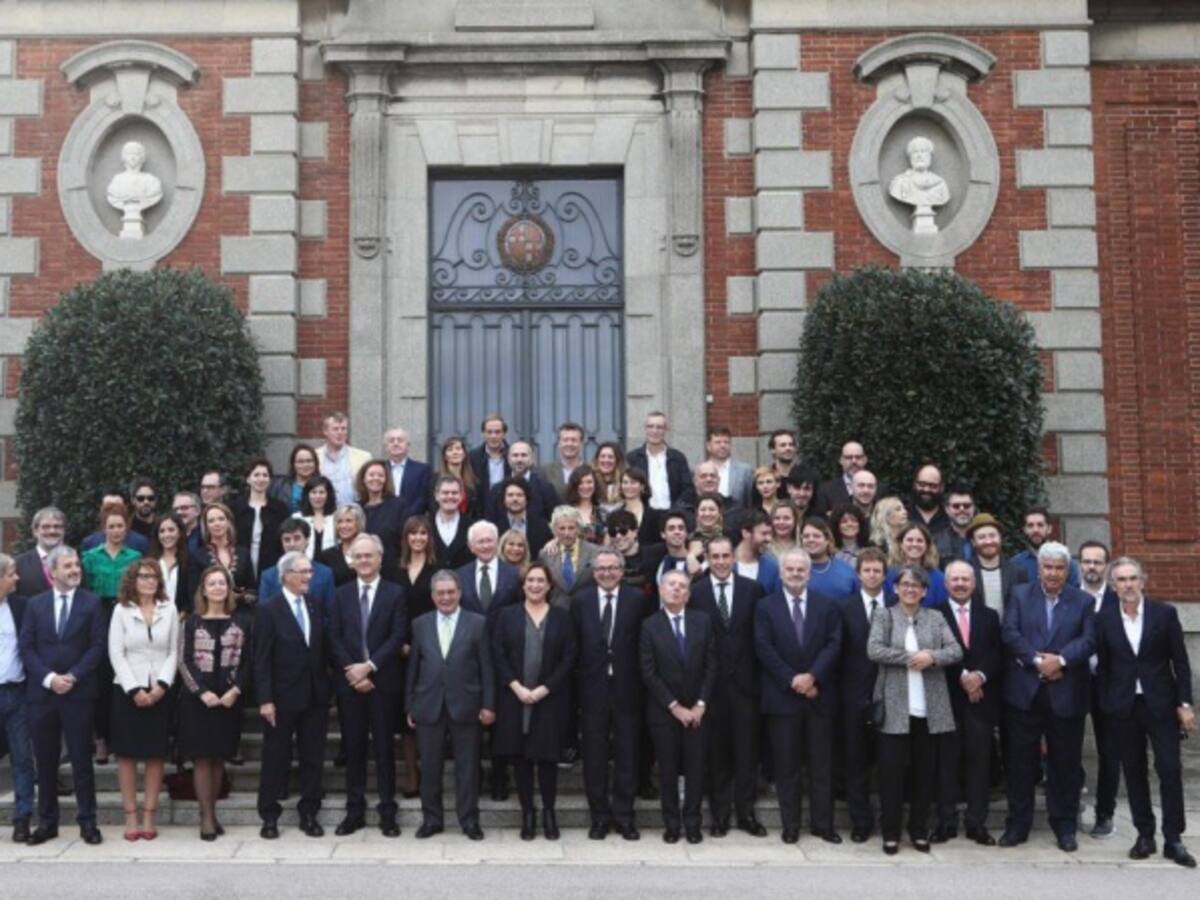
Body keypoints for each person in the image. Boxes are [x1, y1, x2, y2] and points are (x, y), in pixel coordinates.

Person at [1094, 556, 1196, 868]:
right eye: (1121, 580)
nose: (1127, 584)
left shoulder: (1164, 614)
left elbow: (1179, 662)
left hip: (1161, 705)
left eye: (1132, 578)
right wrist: (1108, 705)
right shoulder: (1104, 620)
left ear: (1143, 580)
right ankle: (1145, 834)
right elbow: (1104, 668)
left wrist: (1185, 704)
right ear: (1113, 586)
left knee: (1168, 768)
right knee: (1134, 771)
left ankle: (1174, 838)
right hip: (1124, 707)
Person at [999, 542, 1095, 853]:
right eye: (1047, 567)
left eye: (1059, 568)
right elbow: (1010, 633)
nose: (1053, 573)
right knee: (1020, 763)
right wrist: (1038, 661)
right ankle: (1018, 824)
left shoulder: (1082, 601)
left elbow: (1089, 639)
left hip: (1065, 693)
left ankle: (1064, 825)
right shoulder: (1020, 594)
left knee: (1065, 764)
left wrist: (1061, 660)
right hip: (1025, 692)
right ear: (1038, 568)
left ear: (1067, 571)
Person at [867, 564, 963, 855]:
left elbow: (956, 651)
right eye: (905, 584)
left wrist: (931, 657)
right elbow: (874, 650)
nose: (910, 589)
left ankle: (919, 829)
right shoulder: (884, 615)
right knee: (891, 775)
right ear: (895, 588)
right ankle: (891, 832)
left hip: (929, 709)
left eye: (916, 586)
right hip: (895, 708)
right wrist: (912, 658)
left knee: (925, 774)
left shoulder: (935, 617)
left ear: (924, 591)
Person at [754, 547, 843, 845]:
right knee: (786, 768)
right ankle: (790, 826)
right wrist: (792, 680)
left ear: (808, 572)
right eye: (789, 569)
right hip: (782, 698)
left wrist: (813, 676)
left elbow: (834, 645)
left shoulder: (827, 606)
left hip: (819, 697)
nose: (795, 574)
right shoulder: (765, 607)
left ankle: (823, 825)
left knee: (822, 766)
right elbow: (764, 648)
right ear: (781, 573)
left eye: (800, 569)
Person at [18, 545, 106, 846]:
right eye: (67, 566)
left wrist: (73, 676)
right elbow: (26, 647)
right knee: (45, 761)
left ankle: (88, 822)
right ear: (51, 571)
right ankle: (47, 823)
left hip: (78, 693)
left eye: (76, 566)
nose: (74, 571)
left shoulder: (92, 603)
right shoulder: (35, 604)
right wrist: (49, 678)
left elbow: (97, 647)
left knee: (82, 760)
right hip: (42, 695)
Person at [406, 570, 496, 840]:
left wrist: (489, 704)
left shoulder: (478, 623)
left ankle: (469, 820)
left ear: (459, 593)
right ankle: (431, 820)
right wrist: (409, 705)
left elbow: (487, 668)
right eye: (440, 593)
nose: (445, 597)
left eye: (450, 592)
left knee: (467, 768)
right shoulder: (420, 624)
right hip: (428, 705)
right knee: (430, 768)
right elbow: (413, 669)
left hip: (467, 705)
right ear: (433, 596)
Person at [329, 533, 408, 837]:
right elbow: (333, 636)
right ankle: (355, 811)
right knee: (354, 748)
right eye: (358, 556)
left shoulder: (395, 593)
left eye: (368, 555)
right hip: (350, 684)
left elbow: (397, 635)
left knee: (386, 749)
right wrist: (353, 672)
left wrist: (370, 667)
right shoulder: (340, 594)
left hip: (383, 683)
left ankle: (387, 812)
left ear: (380, 558)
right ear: (351, 561)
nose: (363, 561)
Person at [492, 563, 577, 840]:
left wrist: (544, 689)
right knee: (522, 760)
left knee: (547, 759)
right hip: (515, 698)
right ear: (523, 585)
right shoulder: (507, 616)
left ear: (549, 585)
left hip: (549, 699)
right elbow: (499, 654)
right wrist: (516, 687)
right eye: (531, 580)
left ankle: (549, 813)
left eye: (541, 580)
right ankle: (527, 813)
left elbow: (569, 658)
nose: (536, 585)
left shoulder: (563, 617)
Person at [688, 536, 767, 837]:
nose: (721, 561)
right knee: (717, 755)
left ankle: (746, 815)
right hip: (711, 688)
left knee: (747, 754)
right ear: (707, 558)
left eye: (725, 556)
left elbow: (760, 637)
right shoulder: (696, 593)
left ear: (733, 557)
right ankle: (720, 816)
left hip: (746, 686)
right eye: (715, 556)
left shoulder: (753, 590)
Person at [572, 547, 648, 841]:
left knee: (628, 753)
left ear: (622, 569)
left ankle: (625, 817)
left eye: (612, 568)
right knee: (594, 755)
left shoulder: (637, 600)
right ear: (594, 572)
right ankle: (600, 817)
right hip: (592, 690)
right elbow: (575, 645)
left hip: (628, 689)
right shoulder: (581, 601)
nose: (607, 573)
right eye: (601, 568)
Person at [255, 552, 330, 839]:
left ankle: (309, 813)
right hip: (281, 698)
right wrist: (265, 699)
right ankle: (269, 815)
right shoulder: (268, 609)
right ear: (286, 575)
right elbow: (261, 658)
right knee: (276, 757)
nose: (309, 577)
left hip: (314, 696)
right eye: (303, 572)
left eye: (310, 571)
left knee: (313, 756)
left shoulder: (313, 604)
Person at [640, 569, 717, 844]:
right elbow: (648, 672)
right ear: (661, 590)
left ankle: (693, 824)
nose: (676, 590)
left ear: (688, 593)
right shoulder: (650, 625)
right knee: (668, 770)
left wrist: (700, 704)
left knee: (696, 770)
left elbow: (711, 665)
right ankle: (672, 824)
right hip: (664, 712)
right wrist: (674, 706)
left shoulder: (703, 621)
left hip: (698, 711)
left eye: (682, 586)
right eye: (671, 585)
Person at [178, 565, 251, 840]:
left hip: (229, 699)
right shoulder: (191, 622)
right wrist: (201, 692)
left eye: (222, 583)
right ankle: (205, 817)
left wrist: (236, 690)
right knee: (202, 759)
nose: (218, 587)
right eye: (212, 583)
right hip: (199, 700)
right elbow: (183, 662)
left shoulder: (242, 621)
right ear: (204, 589)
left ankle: (214, 813)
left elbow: (247, 661)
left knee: (220, 757)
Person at [932, 561, 1002, 845]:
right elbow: (934, 651)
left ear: (973, 583)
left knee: (979, 764)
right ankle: (945, 823)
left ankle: (976, 823)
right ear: (946, 583)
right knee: (945, 763)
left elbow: (998, 653)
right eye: (955, 579)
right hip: (946, 697)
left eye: (965, 579)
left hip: (981, 700)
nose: (960, 584)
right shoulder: (934, 614)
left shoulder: (989, 616)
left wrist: (980, 677)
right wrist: (963, 676)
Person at [106, 560, 177, 841]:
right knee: (126, 755)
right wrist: (134, 689)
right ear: (133, 580)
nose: (149, 581)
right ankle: (131, 816)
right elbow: (116, 653)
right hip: (127, 690)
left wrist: (161, 685)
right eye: (143, 576)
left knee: (155, 754)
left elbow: (174, 651)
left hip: (160, 689)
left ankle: (149, 815)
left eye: (153, 577)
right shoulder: (121, 610)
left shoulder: (169, 609)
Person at [457, 520, 522, 801]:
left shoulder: (513, 574)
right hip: (469, 658)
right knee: (472, 718)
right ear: (471, 546)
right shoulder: (459, 575)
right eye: (480, 541)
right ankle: (473, 777)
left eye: (489, 540)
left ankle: (500, 777)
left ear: (498, 543)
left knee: (502, 719)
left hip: (504, 655)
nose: (485, 545)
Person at [837, 547, 893, 843]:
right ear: (858, 574)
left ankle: (890, 819)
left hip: (890, 694)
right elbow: (838, 652)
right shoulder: (844, 608)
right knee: (855, 762)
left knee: (888, 762)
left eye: (877, 570)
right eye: (867, 570)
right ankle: (861, 821)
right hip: (853, 696)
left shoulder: (898, 606)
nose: (872, 575)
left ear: (885, 575)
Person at [81, 501, 142, 763]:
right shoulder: (89, 557)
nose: (116, 531)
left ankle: (123, 738)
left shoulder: (135, 558)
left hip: (127, 615)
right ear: (103, 528)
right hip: (98, 617)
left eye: (120, 526)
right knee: (102, 680)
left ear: (126, 528)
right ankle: (101, 739)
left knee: (126, 677)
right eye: (111, 526)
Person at [1077, 539, 1121, 840]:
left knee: (1109, 751)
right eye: (1087, 561)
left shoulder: (1119, 600)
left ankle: (1105, 813)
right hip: (1074, 682)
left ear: (1106, 566)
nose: (1091, 566)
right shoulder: (1069, 597)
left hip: (1108, 685)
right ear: (1079, 564)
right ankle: (1070, 806)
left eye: (1097, 561)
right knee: (1066, 747)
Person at [396, 515, 437, 796]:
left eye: (423, 533)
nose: (418, 538)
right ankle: (412, 773)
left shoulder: (438, 568)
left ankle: (431, 770)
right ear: (406, 538)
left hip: (431, 649)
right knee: (404, 715)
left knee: (429, 712)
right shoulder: (394, 570)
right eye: (413, 533)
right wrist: (401, 641)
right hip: (399, 651)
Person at [0, 553, 34, 843]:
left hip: (17, 693)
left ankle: (22, 817)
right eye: (12, 573)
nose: (17, 578)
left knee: (22, 758)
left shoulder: (21, 607)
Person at [232, 457, 290, 587]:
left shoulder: (280, 508)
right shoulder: (236, 507)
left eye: (265, 475)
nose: (261, 479)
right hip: (241, 562)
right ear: (248, 479)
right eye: (256, 475)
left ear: (270, 480)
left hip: (270, 563)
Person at [626, 411, 691, 513]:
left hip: (671, 515)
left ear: (666, 429)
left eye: (659, 427)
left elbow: (687, 489)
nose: (654, 431)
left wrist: (677, 510)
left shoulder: (678, 458)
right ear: (645, 429)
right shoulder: (632, 458)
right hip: (643, 515)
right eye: (650, 426)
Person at [966, 513, 1027, 614]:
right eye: (982, 537)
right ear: (973, 542)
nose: (988, 541)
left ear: (1000, 538)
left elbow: (1024, 607)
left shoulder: (1017, 571)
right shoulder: (966, 571)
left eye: (992, 536)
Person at [539, 506, 599, 608]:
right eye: (562, 528)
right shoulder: (545, 554)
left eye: (571, 528)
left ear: (578, 528)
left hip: (587, 609)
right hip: (556, 611)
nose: (567, 533)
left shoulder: (594, 551)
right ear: (555, 530)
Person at [484, 441, 558, 523]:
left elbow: (553, 520)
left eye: (524, 455)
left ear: (532, 459)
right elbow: (490, 521)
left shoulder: (545, 488)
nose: (519, 460)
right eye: (515, 455)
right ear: (508, 459)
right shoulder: (497, 489)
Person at [1010, 508, 1082, 588]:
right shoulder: (1015, 563)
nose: (1035, 530)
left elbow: (1074, 595)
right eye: (1030, 526)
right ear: (1025, 530)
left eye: (1040, 525)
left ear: (1049, 529)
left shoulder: (1067, 562)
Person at [195, 502, 254, 596]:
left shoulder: (243, 553)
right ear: (206, 526)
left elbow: (252, 590)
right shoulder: (197, 556)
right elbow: (194, 592)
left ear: (228, 522)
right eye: (211, 521)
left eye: (221, 519)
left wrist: (242, 596)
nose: (216, 524)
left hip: (241, 609)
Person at [316, 411, 372, 508]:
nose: (340, 433)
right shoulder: (315, 456)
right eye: (335, 429)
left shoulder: (364, 457)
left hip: (354, 514)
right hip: (324, 515)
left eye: (343, 429)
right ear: (325, 431)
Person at [356, 458, 404, 571]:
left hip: (391, 569)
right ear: (363, 479)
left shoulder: (398, 505)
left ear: (386, 480)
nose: (376, 478)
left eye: (380, 475)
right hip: (362, 568)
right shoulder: (357, 508)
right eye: (371, 475)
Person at [147, 513, 200, 614]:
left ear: (180, 532)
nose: (166, 535)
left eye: (171, 530)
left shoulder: (190, 561)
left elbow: (192, 595)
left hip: (180, 619)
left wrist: (181, 615)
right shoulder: (150, 561)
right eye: (162, 531)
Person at [885, 523, 947, 607]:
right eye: (910, 540)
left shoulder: (939, 578)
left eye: (920, 541)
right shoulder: (888, 575)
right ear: (901, 544)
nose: (914, 544)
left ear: (927, 545)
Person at [489, 478, 553, 559]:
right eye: (510, 495)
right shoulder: (494, 527)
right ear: (504, 500)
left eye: (519, 495)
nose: (515, 499)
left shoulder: (542, 526)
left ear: (527, 499)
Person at [14, 506, 65, 600]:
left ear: (63, 531)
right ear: (35, 531)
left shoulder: (76, 562)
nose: (52, 531)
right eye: (46, 527)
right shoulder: (19, 564)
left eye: (57, 526)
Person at [799, 517, 857, 599]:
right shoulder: (793, 571)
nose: (811, 539)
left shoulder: (846, 571)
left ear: (828, 540)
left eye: (816, 536)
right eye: (806, 536)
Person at [384, 426, 433, 523]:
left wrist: (407, 517)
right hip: (385, 522)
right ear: (386, 446)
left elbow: (423, 498)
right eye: (391, 440)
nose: (396, 443)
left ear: (408, 445)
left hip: (413, 522)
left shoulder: (422, 469)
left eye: (400, 440)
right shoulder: (380, 469)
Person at [80, 490, 150, 554]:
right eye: (108, 507)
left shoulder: (140, 542)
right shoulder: (90, 543)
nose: (113, 511)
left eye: (117, 506)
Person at [814, 440, 869, 518]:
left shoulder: (880, 490)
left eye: (858, 457)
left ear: (865, 460)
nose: (854, 461)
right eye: (848, 457)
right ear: (841, 460)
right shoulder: (825, 491)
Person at [733, 510, 781, 595]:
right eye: (764, 534)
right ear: (746, 533)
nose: (769, 539)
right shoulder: (723, 562)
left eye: (770, 534)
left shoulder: (773, 567)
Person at [429, 475, 473, 569]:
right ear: (436, 496)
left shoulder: (472, 526)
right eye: (445, 493)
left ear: (461, 496)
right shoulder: (425, 525)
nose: (450, 496)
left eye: (454, 493)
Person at [705, 426, 753, 510]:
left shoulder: (745, 471)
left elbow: (750, 502)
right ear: (708, 446)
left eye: (726, 442)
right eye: (718, 442)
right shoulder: (699, 471)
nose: (723, 445)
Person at [434, 435, 482, 519]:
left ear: (464, 454)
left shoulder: (474, 481)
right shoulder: (434, 480)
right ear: (445, 456)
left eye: (458, 449)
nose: (455, 452)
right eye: (450, 449)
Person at [318, 503, 366, 587]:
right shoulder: (326, 556)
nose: (343, 526)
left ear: (359, 524)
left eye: (349, 521)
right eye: (339, 521)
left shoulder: (370, 551)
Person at [539, 421, 587, 502]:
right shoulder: (545, 471)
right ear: (559, 443)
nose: (569, 444)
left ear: (581, 443)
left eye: (574, 440)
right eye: (565, 440)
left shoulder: (591, 470)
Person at [615, 467, 660, 548]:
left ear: (642, 486)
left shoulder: (655, 515)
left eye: (633, 482)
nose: (629, 486)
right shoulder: (615, 515)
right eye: (625, 482)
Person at [269, 442, 319, 513]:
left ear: (315, 463)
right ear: (293, 464)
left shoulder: (323, 486)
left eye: (309, 461)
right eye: (300, 462)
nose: (305, 465)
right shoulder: (280, 485)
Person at [933, 486, 976, 567]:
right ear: (947, 509)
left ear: (973, 508)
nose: (962, 509)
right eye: (956, 506)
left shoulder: (984, 538)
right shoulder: (935, 540)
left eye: (967, 505)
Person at [468, 413, 511, 492]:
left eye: (497, 432)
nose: (493, 436)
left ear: (504, 434)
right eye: (489, 432)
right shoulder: (473, 457)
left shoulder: (513, 455)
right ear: (483, 434)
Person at [297, 475, 337, 559]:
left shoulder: (336, 517)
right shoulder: (297, 518)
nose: (317, 496)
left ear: (328, 495)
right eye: (313, 492)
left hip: (332, 566)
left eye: (321, 492)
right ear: (307, 495)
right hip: (304, 566)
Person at [564, 464, 605, 544]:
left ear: (595, 484)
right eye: (581, 483)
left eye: (589, 482)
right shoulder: (565, 512)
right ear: (575, 486)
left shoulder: (603, 514)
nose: (585, 486)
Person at [905, 463, 950, 534]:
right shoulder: (903, 514)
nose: (926, 489)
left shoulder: (949, 516)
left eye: (932, 486)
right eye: (922, 484)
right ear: (914, 484)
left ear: (942, 488)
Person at [591, 441, 626, 515]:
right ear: (597, 459)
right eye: (602, 456)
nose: (606, 460)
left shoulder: (625, 482)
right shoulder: (590, 481)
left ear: (617, 460)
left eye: (610, 457)